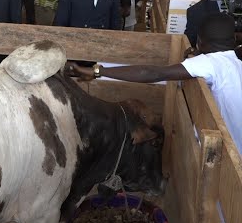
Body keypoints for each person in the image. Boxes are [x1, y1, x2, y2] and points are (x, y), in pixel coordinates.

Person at [68, 12, 242, 154]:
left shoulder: (208, 63)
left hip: (228, 154)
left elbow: (152, 73)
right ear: (233, 40)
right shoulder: (235, 63)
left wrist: (98, 71)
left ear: (200, 41)